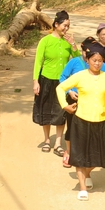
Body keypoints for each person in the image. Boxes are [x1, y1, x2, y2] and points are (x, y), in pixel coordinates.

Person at [56, 43, 105, 201]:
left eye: (100, 60)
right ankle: (82, 187)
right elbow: (60, 88)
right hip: (81, 121)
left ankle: (87, 173)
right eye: (94, 60)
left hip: (102, 121)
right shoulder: (80, 75)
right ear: (88, 60)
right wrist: (65, 106)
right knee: (80, 155)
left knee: (102, 155)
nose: (97, 63)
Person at [59, 36, 105, 168]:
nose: (88, 55)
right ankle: (69, 152)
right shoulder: (74, 61)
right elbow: (63, 77)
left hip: (93, 103)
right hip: (74, 100)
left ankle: (87, 155)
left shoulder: (101, 65)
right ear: (82, 50)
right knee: (71, 128)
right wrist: (69, 91)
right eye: (86, 51)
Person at [33, 10, 78, 156]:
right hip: (46, 80)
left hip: (62, 83)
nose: (66, 28)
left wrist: (74, 47)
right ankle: (47, 140)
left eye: (68, 26)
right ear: (56, 24)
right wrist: (36, 81)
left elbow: (78, 61)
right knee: (45, 110)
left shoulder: (67, 43)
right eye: (64, 25)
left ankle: (58, 143)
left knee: (61, 112)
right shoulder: (45, 41)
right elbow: (38, 62)